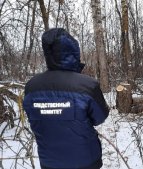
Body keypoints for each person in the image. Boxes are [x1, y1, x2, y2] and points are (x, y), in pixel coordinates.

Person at [23, 28, 109, 169]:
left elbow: (34, 117)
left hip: (49, 162)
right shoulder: (87, 85)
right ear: (74, 52)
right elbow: (100, 117)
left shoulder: (31, 87)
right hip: (86, 161)